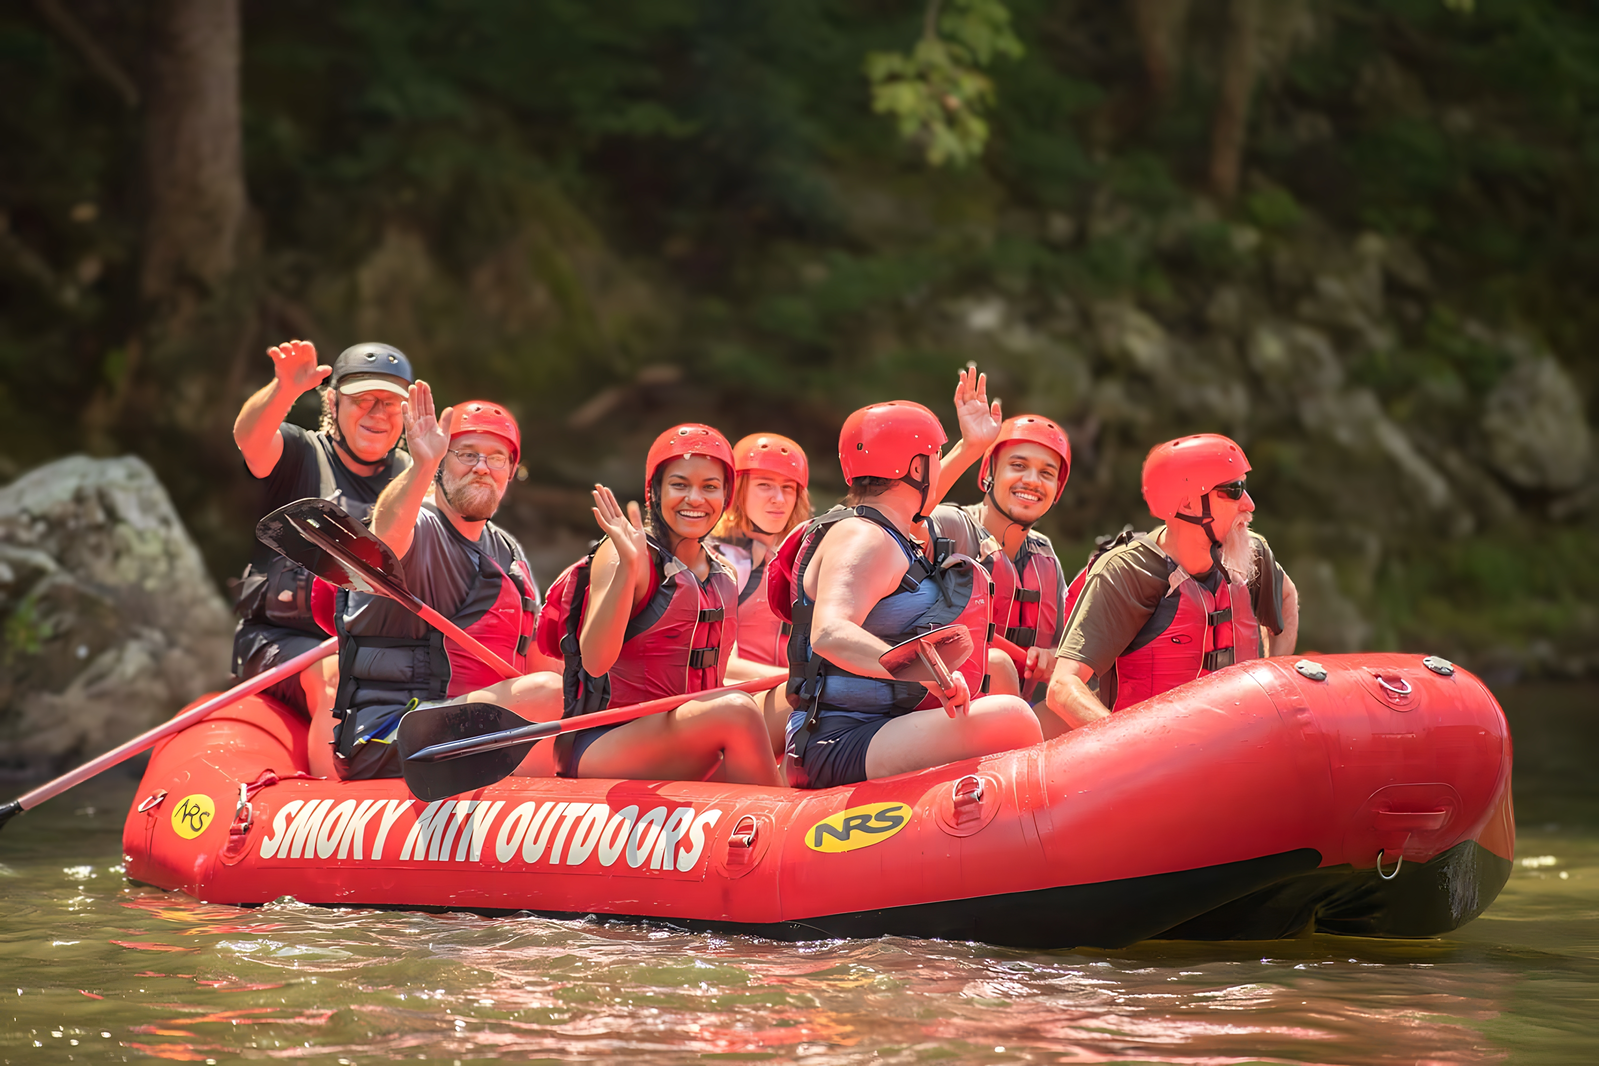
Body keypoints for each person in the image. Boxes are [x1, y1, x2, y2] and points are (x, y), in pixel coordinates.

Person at [780, 379, 1042, 789]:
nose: (937, 465)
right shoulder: (864, 538)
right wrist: (927, 672)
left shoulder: (887, 530)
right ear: (917, 469)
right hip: (836, 740)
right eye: (933, 458)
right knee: (1013, 719)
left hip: (873, 729)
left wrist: (971, 446)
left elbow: (919, 504)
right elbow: (830, 633)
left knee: (1000, 688)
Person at [327, 384, 553, 780]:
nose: (482, 467)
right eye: (466, 454)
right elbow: (386, 540)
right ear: (441, 463)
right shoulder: (424, 526)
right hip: (392, 735)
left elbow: (534, 657)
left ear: (510, 471)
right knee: (547, 694)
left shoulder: (507, 550)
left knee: (561, 696)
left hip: (468, 729)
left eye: (496, 458)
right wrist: (420, 467)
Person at [536, 424, 782, 786]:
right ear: (654, 492)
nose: (694, 499)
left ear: (726, 496)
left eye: (709, 487)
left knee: (796, 698)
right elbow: (595, 660)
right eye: (679, 485)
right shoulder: (626, 555)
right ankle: (778, 811)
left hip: (685, 731)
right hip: (605, 740)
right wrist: (627, 569)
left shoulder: (724, 574)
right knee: (737, 711)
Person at [1044, 433, 1300, 730]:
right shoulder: (1129, 573)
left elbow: (1286, 596)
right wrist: (1133, 746)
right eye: (1234, 490)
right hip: (1157, 747)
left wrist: (1272, 682)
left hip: (1239, 738)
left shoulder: (1249, 552)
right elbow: (1062, 687)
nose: (1249, 504)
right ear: (1189, 505)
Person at [231, 338, 413, 721]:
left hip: (372, 649)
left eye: (391, 402)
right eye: (363, 399)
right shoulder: (299, 452)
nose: (378, 413)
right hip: (280, 640)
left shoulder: (415, 477)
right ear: (333, 402)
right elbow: (250, 440)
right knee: (338, 677)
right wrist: (285, 389)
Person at [926, 415, 1072, 708]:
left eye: (1047, 473)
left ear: (1057, 489)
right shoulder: (950, 525)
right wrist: (969, 447)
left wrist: (1050, 657)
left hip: (1015, 712)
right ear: (988, 474)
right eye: (1018, 465)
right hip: (943, 710)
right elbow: (903, 517)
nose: (1032, 481)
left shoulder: (1045, 556)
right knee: (997, 663)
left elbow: (1065, 652)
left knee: (1074, 695)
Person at [709, 433, 812, 667]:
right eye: (764, 485)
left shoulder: (803, 560)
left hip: (791, 686)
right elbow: (718, 663)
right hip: (748, 687)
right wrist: (795, 681)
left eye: (787, 487)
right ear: (736, 491)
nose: (779, 499)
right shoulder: (720, 561)